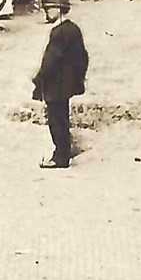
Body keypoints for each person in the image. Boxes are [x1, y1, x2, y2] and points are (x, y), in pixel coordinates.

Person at [33, 18, 89, 169]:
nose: (46, 13)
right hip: (67, 84)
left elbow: (50, 61)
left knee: (56, 120)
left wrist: (39, 78)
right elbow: (83, 56)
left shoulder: (58, 32)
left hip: (55, 83)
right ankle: (66, 150)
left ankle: (60, 157)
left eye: (49, 9)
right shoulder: (73, 28)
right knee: (63, 117)